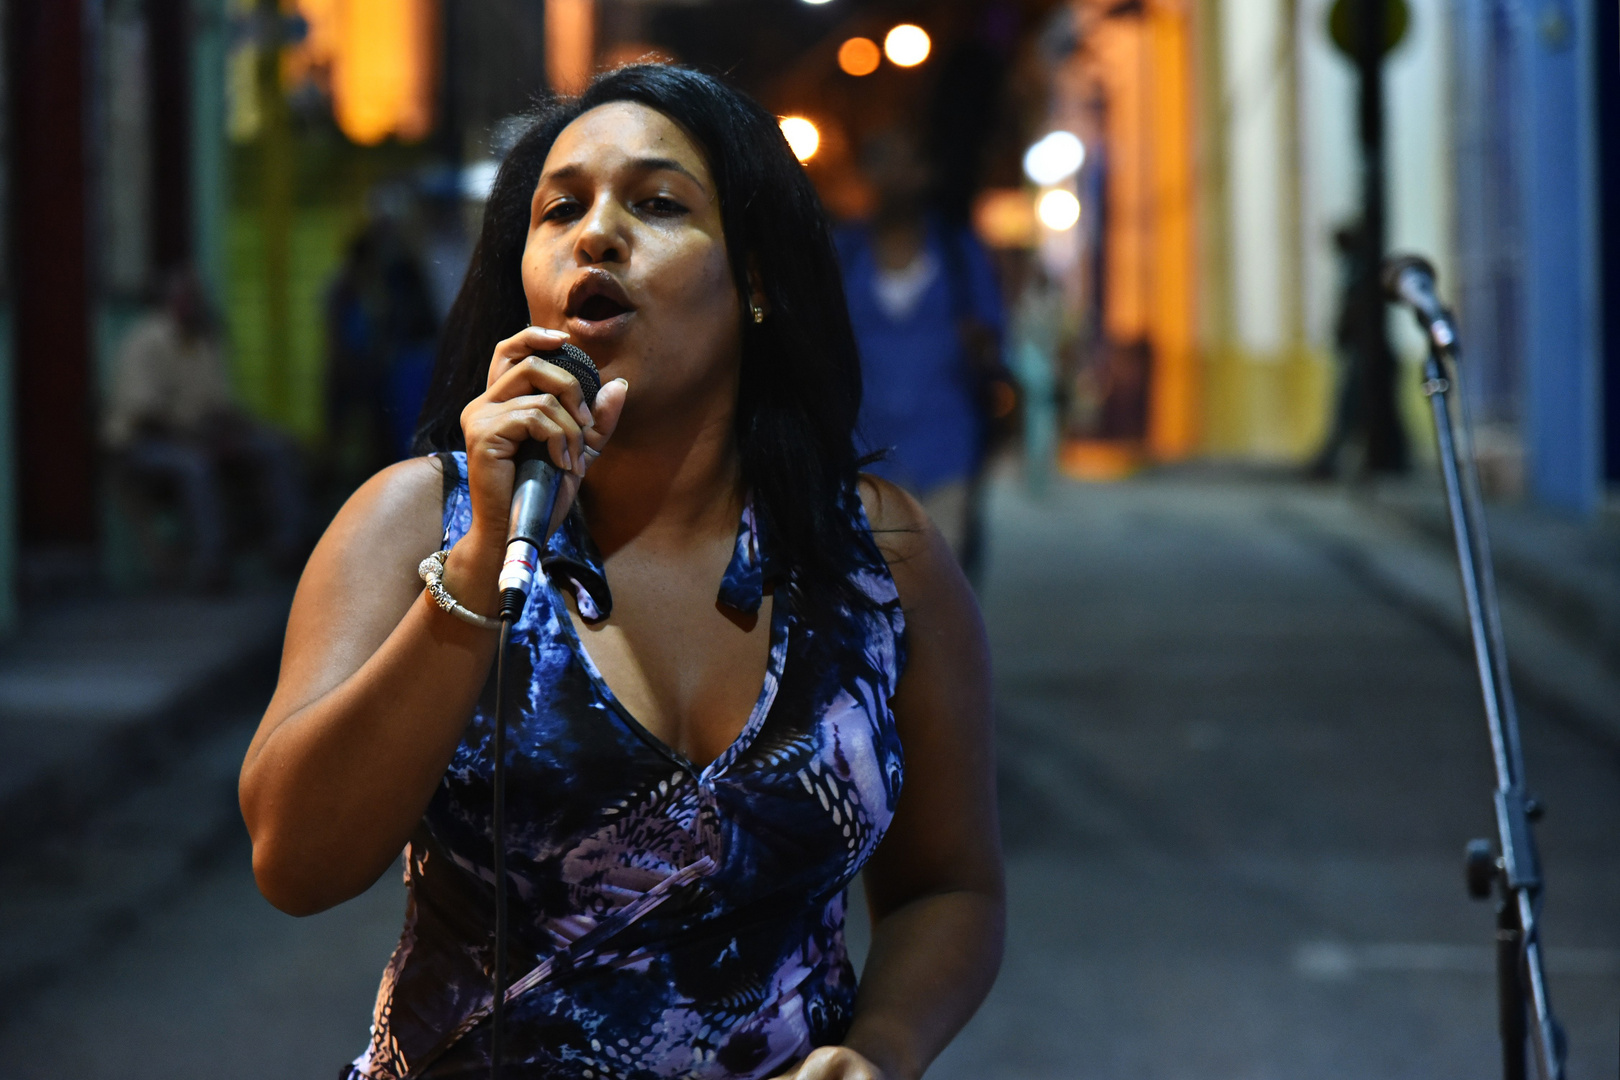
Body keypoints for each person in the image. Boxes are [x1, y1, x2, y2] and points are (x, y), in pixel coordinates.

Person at [239, 65, 1003, 1080]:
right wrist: (475, 575)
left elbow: (951, 888)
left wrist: (882, 1050)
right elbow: (295, 862)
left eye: (656, 203)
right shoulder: (417, 520)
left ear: (760, 280)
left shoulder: (874, 563)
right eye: (561, 210)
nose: (596, 233)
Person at [835, 130, 1006, 578]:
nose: (894, 177)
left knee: (942, 586)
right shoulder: (844, 255)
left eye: (905, 164)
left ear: (924, 175)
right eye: (882, 162)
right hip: (867, 455)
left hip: (946, 448)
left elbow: (993, 337)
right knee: (875, 591)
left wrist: (979, 344)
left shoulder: (957, 254)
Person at [104, 268, 307, 587]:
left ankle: (287, 544)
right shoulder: (147, 340)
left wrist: (236, 430)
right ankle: (212, 562)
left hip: (197, 435)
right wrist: (198, 439)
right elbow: (144, 416)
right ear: (171, 302)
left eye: (197, 298)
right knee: (197, 465)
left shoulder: (201, 340)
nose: (196, 305)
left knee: (276, 447)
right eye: (189, 298)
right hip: (142, 443)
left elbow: (216, 405)